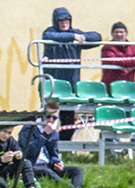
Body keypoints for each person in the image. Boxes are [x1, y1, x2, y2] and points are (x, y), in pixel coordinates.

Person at [18, 101, 112, 188]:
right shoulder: (29, 128)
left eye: (54, 118)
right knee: (48, 172)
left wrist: (56, 162)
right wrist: (44, 135)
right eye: (48, 116)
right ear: (42, 115)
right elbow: (28, 151)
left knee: (77, 170)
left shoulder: (53, 132)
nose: (51, 120)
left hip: (47, 165)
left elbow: (53, 153)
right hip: (32, 166)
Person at [42, 8, 101, 140]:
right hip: (53, 85)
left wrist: (83, 38)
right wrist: (72, 37)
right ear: (55, 22)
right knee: (49, 119)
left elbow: (97, 37)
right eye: (61, 20)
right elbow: (49, 37)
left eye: (66, 20)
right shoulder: (50, 32)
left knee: (68, 120)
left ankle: (62, 147)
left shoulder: (76, 33)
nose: (64, 23)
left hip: (71, 85)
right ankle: (46, 147)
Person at [101, 22, 135, 89]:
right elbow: (113, 61)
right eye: (116, 32)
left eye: (121, 32)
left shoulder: (134, 47)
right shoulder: (107, 47)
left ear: (126, 33)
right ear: (112, 34)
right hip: (111, 86)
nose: (119, 34)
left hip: (129, 85)